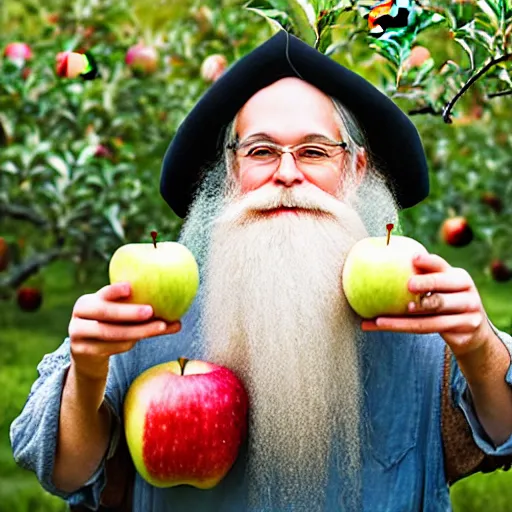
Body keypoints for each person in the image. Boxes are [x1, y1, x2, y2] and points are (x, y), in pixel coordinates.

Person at [10, 31, 512, 512]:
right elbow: (67, 473)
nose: (287, 173)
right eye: (261, 151)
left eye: (314, 152)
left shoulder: (420, 315)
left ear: (357, 168)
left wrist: (477, 345)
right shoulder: (149, 315)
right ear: (232, 172)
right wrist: (89, 369)